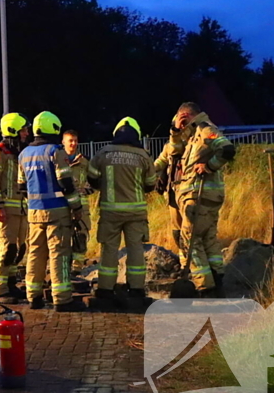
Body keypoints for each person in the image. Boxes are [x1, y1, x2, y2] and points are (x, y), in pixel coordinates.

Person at [18, 111, 87, 312]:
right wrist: (77, 207)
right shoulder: (56, 151)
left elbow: (21, 186)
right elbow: (66, 184)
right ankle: (62, 299)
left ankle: (34, 297)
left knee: (35, 253)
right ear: (53, 128)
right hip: (57, 212)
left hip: (34, 212)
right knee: (59, 254)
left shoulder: (23, 154)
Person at [165, 102, 235, 295]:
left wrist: (209, 166)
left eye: (180, 121)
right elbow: (174, 151)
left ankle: (205, 287)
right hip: (207, 197)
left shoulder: (205, 130)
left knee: (189, 241)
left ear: (185, 117)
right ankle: (217, 280)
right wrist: (175, 131)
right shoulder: (194, 135)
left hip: (198, 196)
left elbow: (227, 149)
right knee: (208, 240)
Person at [87, 117, 156, 310]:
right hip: (136, 213)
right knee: (136, 250)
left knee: (109, 249)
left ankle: (105, 290)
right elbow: (151, 184)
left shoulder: (103, 153)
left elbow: (92, 177)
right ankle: (136, 290)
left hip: (110, 212)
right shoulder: (143, 156)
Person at [0, 113, 30, 302]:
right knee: (7, 248)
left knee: (19, 248)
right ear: (13, 130)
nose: (26, 133)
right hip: (7, 209)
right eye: (23, 130)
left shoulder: (18, 152)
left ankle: (11, 283)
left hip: (21, 209)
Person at [153, 113, 190, 271]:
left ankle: (192, 265)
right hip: (173, 194)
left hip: (188, 193)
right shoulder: (169, 146)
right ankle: (183, 263)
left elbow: (177, 149)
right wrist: (148, 170)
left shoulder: (192, 144)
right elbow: (161, 161)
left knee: (189, 230)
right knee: (177, 231)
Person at [62, 130, 93, 274]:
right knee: (62, 237)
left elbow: (95, 179)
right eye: (70, 141)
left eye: (75, 140)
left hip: (82, 206)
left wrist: (86, 189)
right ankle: (62, 269)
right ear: (63, 142)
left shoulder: (85, 161)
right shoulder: (57, 160)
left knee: (80, 237)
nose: (73, 144)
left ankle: (77, 269)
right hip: (62, 206)